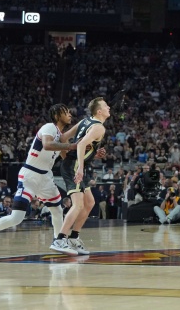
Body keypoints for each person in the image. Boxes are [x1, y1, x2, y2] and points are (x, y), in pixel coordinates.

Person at [0, 104, 76, 255]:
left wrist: (87, 152)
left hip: (46, 177)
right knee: (16, 217)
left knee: (57, 210)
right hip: (30, 175)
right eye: (66, 112)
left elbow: (67, 157)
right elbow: (47, 145)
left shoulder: (60, 137)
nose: (70, 114)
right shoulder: (49, 127)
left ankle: (58, 241)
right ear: (57, 115)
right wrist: (71, 146)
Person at [51, 97, 112, 256]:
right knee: (78, 205)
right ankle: (60, 239)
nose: (109, 107)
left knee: (90, 202)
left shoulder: (85, 121)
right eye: (106, 106)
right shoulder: (99, 127)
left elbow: (63, 139)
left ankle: (73, 238)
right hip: (75, 167)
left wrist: (91, 155)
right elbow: (82, 144)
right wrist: (79, 167)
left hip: (73, 164)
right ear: (99, 111)